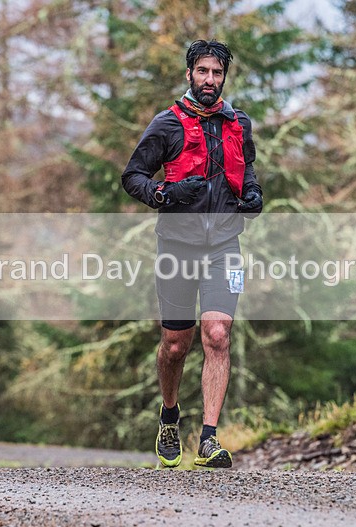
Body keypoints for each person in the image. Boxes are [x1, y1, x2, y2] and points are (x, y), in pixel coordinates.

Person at [121, 39, 263, 468]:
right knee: (176, 345)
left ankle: (208, 438)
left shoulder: (238, 123)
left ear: (224, 78)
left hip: (224, 244)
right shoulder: (166, 124)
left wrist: (253, 193)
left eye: (216, 73)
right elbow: (133, 177)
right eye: (202, 72)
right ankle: (169, 418)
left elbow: (248, 166)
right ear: (189, 75)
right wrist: (166, 193)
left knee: (218, 335)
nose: (209, 80)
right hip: (177, 246)